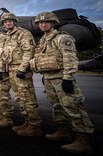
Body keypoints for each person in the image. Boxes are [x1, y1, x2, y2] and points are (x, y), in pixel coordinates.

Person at [30, 12, 94, 154]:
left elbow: (70, 59)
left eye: (47, 22)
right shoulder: (43, 40)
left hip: (61, 79)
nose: (43, 24)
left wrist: (68, 78)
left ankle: (84, 141)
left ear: (53, 23)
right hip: (49, 78)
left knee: (73, 107)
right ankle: (63, 132)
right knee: (56, 107)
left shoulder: (63, 38)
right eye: (40, 23)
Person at [0, 12, 43, 136]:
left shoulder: (23, 33)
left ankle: (35, 125)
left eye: (10, 21)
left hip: (20, 70)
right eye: (5, 22)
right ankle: (27, 121)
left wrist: (22, 69)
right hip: (11, 70)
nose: (8, 23)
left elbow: (29, 52)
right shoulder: (6, 36)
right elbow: (3, 55)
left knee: (27, 98)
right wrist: (0, 69)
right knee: (19, 97)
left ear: (14, 22)